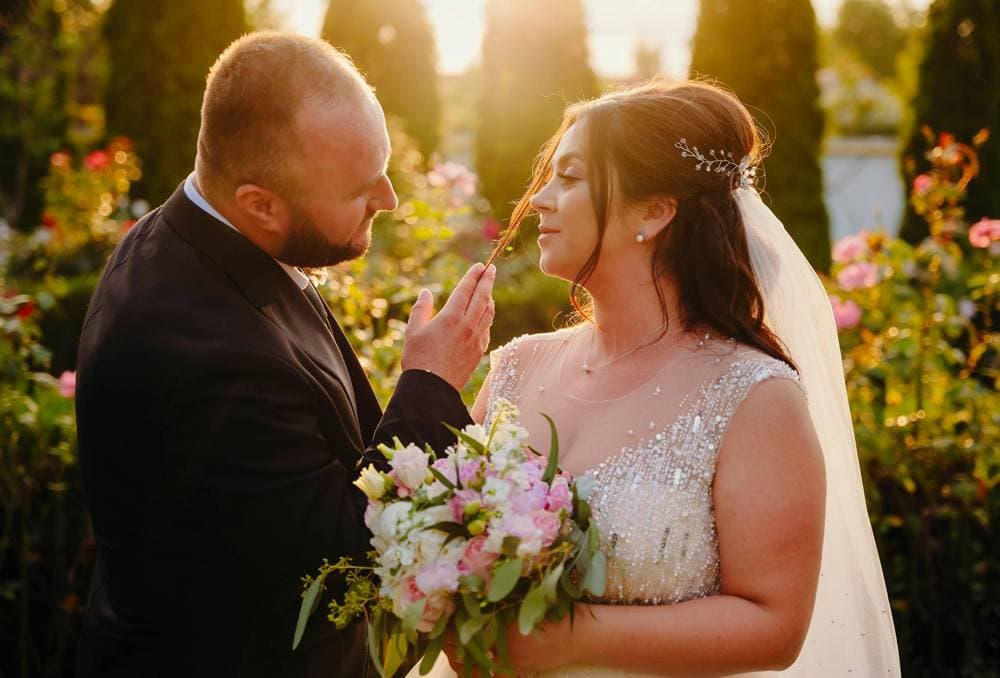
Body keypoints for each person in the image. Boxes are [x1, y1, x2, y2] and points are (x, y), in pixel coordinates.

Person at [434, 79, 899, 676]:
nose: (540, 200)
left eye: (570, 178)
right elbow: (446, 541)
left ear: (653, 212)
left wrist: (573, 638)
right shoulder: (515, 367)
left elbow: (775, 624)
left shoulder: (754, 396)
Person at [74, 32, 495, 677]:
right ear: (261, 205)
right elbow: (340, 558)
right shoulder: (198, 351)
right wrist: (431, 382)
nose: (389, 199)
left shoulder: (203, 236)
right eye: (360, 187)